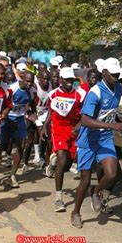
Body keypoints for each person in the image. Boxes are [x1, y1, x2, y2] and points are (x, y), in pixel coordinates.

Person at [70, 62, 122, 228]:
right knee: (85, 180)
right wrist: (112, 125)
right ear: (105, 72)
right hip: (88, 141)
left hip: (105, 138)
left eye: (118, 74)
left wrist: (118, 122)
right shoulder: (95, 92)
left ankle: (95, 192)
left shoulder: (119, 89)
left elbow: (110, 114)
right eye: (113, 74)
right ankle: (76, 212)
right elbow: (85, 120)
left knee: (112, 174)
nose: (116, 77)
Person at [42, 67, 86, 212]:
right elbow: (51, 111)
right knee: (62, 159)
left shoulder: (80, 94)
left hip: (73, 131)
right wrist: (45, 127)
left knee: (67, 163)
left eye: (71, 80)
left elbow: (84, 115)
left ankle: (53, 164)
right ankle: (58, 198)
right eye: (66, 80)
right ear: (60, 80)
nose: (69, 83)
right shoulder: (53, 94)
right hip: (58, 129)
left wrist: (79, 126)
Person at [0, 72, 36, 188]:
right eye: (27, 81)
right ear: (22, 79)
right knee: (5, 145)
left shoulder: (32, 91)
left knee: (22, 145)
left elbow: (31, 103)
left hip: (20, 118)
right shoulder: (12, 89)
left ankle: (12, 175)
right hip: (7, 117)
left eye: (31, 82)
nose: (29, 84)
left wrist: (32, 113)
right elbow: (2, 104)